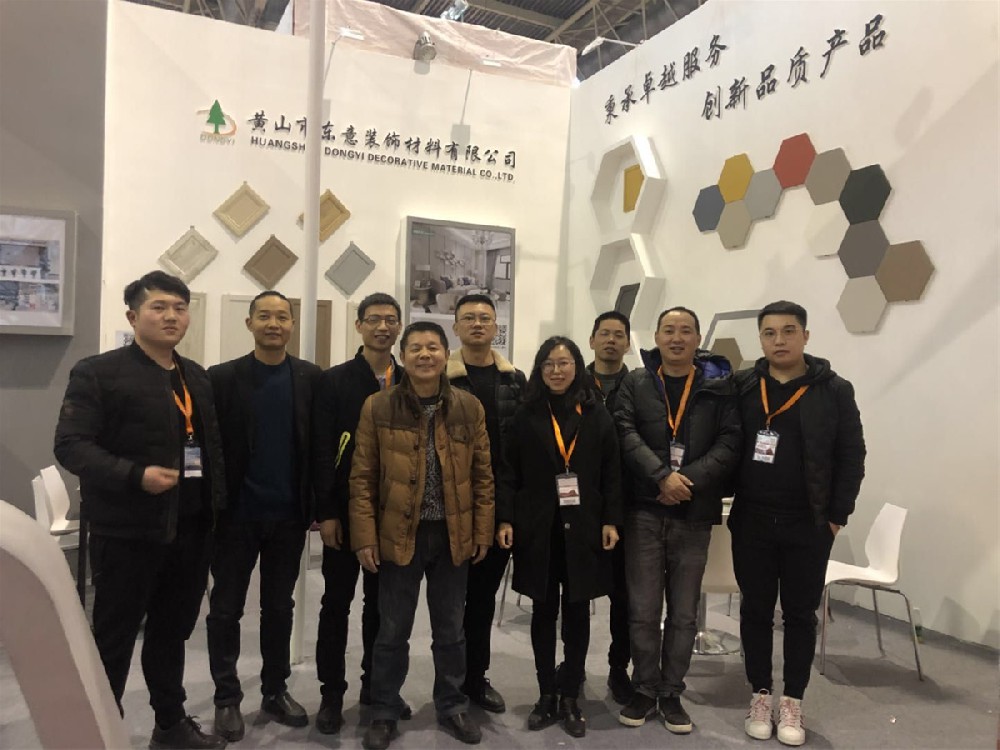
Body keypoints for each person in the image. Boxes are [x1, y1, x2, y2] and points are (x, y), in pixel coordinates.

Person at [53, 271, 227, 749]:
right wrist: (135, 475)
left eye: (180, 308)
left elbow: (209, 449)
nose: (171, 316)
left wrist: (218, 512)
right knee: (113, 640)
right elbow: (70, 445)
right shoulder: (98, 372)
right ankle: (97, 734)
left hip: (190, 530)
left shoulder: (196, 376)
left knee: (171, 635)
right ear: (133, 316)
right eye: (159, 307)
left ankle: (170, 726)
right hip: (127, 533)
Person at [350, 321, 494, 750]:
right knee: (392, 630)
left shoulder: (468, 406)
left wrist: (482, 530)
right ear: (403, 355)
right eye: (416, 348)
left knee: (451, 630)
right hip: (399, 533)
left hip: (453, 534)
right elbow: (362, 477)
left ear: (446, 354)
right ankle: (384, 710)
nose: (425, 355)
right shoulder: (378, 406)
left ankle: (452, 704)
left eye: (433, 347)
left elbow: (483, 476)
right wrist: (365, 536)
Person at [731, 300, 865, 747]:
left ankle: (793, 700)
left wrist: (836, 518)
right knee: (754, 610)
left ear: (805, 336)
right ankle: (760, 694)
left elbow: (852, 455)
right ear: (761, 339)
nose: (779, 340)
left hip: (808, 524)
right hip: (752, 520)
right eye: (769, 333)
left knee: (800, 615)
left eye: (789, 331)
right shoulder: (743, 386)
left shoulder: (834, 390)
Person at [614, 306, 741, 735]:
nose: (676, 338)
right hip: (644, 511)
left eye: (686, 330)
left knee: (685, 613)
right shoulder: (636, 382)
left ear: (698, 339)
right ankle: (644, 688)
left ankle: (671, 693)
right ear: (656, 336)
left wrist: (686, 480)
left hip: (694, 513)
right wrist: (660, 476)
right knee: (643, 610)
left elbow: (730, 441)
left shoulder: (718, 388)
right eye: (669, 330)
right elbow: (624, 431)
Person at [205, 290, 321, 741]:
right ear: (249, 322)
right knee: (225, 609)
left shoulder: (310, 378)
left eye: (283, 317)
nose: (274, 324)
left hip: (288, 516)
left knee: (278, 607)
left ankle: (275, 690)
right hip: (236, 516)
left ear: (292, 324)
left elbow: (319, 445)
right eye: (265, 316)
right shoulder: (222, 378)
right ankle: (226, 697)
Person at [496, 336, 622, 738]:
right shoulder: (525, 414)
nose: (556, 370)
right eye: (549, 363)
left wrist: (611, 520)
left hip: (584, 527)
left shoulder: (597, 414)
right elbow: (508, 472)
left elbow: (612, 472)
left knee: (577, 613)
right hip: (538, 528)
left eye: (564, 363)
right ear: (540, 369)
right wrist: (506, 519)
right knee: (543, 611)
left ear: (577, 367)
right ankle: (546, 694)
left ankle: (570, 695)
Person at [312, 292, 407, 733]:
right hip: (346, 514)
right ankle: (331, 694)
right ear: (359, 326)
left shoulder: (409, 380)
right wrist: (327, 513)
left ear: (399, 326)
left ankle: (376, 688)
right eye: (374, 319)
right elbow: (322, 450)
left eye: (390, 320)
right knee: (336, 604)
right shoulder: (334, 381)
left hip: (393, 517)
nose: (382, 327)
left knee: (382, 610)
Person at [446, 293, 526, 713]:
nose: (477, 324)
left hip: (497, 504)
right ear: (456, 327)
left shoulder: (515, 381)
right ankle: (449, 685)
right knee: (447, 602)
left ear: (496, 327)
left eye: (485, 318)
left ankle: (475, 679)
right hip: (448, 506)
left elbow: (520, 454)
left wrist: (508, 512)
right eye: (469, 318)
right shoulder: (439, 377)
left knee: (481, 599)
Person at [585, 310, 633, 703]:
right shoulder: (572, 383)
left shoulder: (641, 387)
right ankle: (572, 668)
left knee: (624, 596)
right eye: (604, 333)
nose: (611, 340)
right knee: (577, 594)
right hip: (581, 505)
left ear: (628, 343)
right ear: (592, 341)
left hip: (629, 505)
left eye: (619, 335)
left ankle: (619, 670)